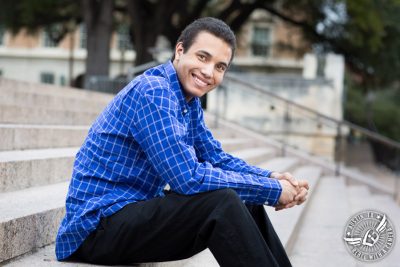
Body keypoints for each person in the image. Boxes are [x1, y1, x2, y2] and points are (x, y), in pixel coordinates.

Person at [55, 17, 309, 267]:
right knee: (223, 202)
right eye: (202, 57)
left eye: (220, 67)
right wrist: (274, 191)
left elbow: (216, 158)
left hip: (129, 214)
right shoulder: (154, 91)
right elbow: (188, 178)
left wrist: (271, 178)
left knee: (246, 199)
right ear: (180, 51)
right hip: (96, 228)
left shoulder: (188, 101)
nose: (209, 72)